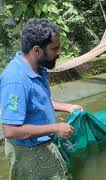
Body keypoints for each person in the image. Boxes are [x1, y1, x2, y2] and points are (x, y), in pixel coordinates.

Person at [0, 18, 82, 179]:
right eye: (54, 48)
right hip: (31, 151)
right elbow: (11, 131)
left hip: (43, 141)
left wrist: (67, 107)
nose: (58, 52)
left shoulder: (37, 68)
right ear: (37, 50)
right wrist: (55, 128)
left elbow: (37, 100)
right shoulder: (15, 80)